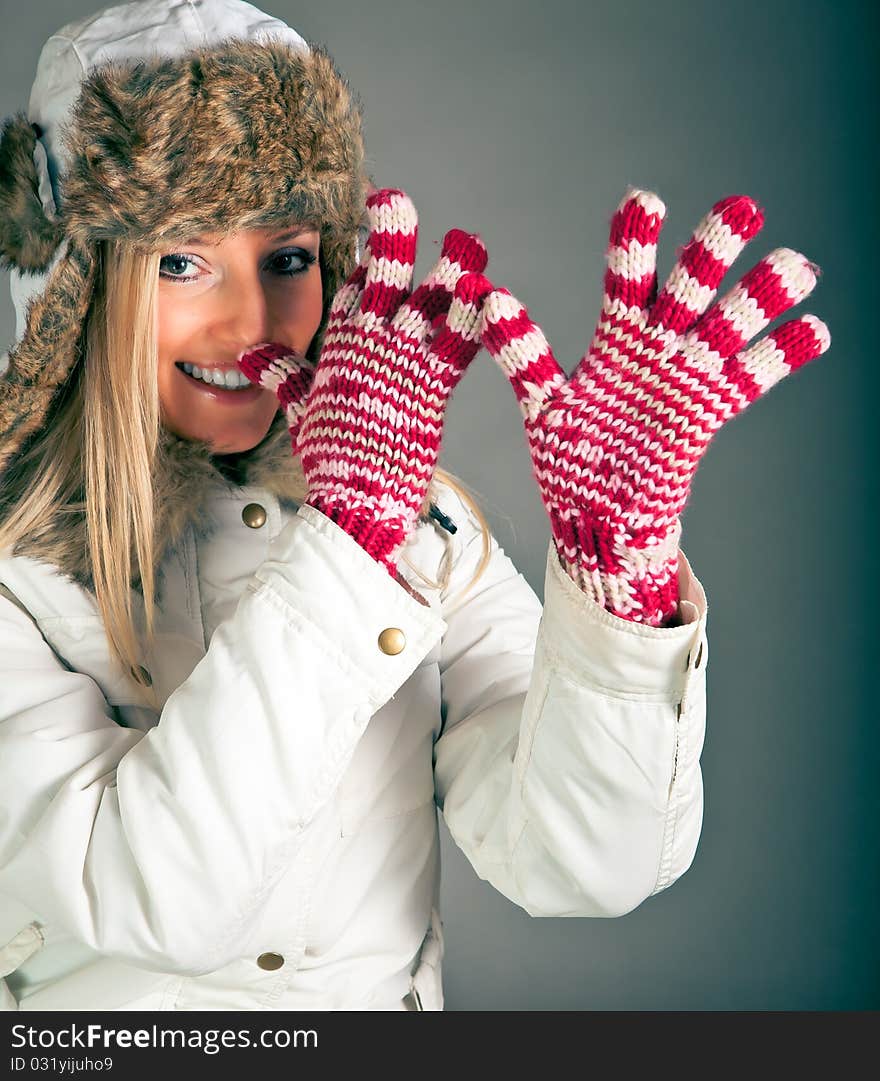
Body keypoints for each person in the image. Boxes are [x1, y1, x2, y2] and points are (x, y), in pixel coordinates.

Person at [0, 0, 829, 1012]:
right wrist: (348, 544)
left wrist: (620, 572)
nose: (249, 318)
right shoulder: (14, 571)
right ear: (75, 291)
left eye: (287, 258)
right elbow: (155, 897)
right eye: (180, 260)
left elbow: (577, 863)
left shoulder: (422, 530)